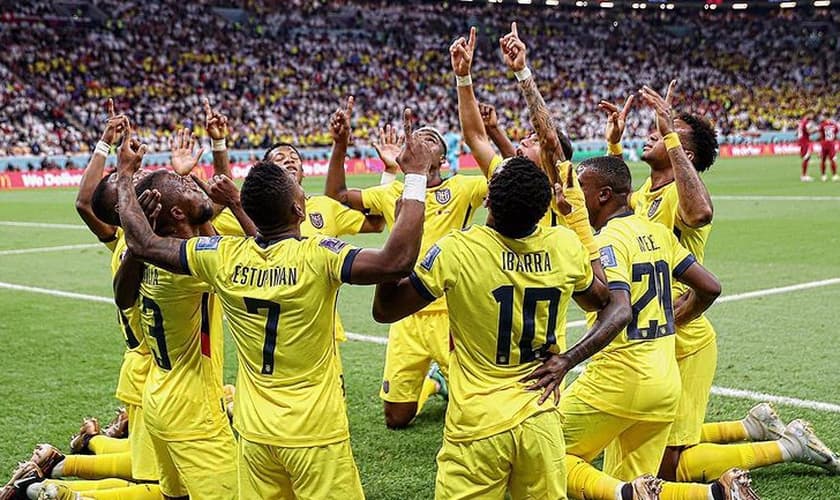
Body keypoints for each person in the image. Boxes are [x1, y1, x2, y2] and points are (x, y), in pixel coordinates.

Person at [115, 110, 435, 499]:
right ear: (299, 211)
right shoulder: (318, 257)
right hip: (314, 433)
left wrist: (125, 177)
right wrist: (415, 178)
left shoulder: (222, 256)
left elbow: (144, 245)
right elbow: (395, 262)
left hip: (254, 433)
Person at [606, 84, 840, 489]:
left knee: (667, 465)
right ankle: (751, 425)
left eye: (663, 131)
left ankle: (790, 446)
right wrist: (613, 146)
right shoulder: (647, 192)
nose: (652, 133)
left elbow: (700, 213)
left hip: (687, 340)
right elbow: (613, 215)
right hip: (654, 337)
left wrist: (673, 138)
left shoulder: (683, 195)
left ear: (684, 151)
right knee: (647, 438)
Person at [372, 155, 622, 499]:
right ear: (542, 209)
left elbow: (386, 309)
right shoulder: (564, 247)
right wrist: (569, 359)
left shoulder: (457, 250)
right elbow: (603, 302)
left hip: (476, 424)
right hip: (540, 417)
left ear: (488, 199)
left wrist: (402, 230)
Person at [557, 156, 762, 500]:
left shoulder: (608, 242)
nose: (576, 196)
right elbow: (710, 287)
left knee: (540, 449)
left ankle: (624, 492)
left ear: (604, 195)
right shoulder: (657, 233)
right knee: (639, 489)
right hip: (664, 384)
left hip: (617, 380)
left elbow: (618, 310)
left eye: (582, 189)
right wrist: (677, 317)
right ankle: (716, 493)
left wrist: (567, 360)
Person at [325, 98, 493, 430]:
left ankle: (443, 381)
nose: (419, 141)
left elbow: (501, 174)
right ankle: (434, 383)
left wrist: (488, 133)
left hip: (451, 313)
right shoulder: (393, 193)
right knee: (396, 418)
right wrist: (340, 145)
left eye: (430, 140)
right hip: (404, 314)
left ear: (443, 159)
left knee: (476, 413)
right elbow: (337, 196)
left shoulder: (462, 187)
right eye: (416, 138)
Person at [112, 167, 235, 500]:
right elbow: (254, 261)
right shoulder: (188, 267)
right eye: (184, 185)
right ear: (177, 212)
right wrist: (235, 203)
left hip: (159, 395)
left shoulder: (145, 257)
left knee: (174, 496)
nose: (193, 183)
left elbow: (122, 296)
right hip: (193, 410)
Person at [452, 25, 568, 229]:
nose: (524, 140)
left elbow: (549, 138)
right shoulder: (506, 175)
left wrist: (522, 72)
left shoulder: (562, 187)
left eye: (534, 142)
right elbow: (475, 138)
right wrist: (463, 77)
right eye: (529, 137)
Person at [817, 113, 838, 182]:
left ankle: (823, 175)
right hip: (831, 144)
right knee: (832, 159)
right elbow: (836, 132)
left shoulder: (822, 124)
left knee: (823, 160)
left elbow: (820, 134)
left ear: (825, 117)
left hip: (824, 144)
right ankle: (834, 175)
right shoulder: (834, 124)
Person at [797, 113, 817, 182]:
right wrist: (816, 129)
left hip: (802, 141)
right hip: (805, 141)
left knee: (806, 157)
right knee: (806, 158)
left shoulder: (801, 122)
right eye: (810, 114)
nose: (812, 115)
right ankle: (804, 176)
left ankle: (804, 175)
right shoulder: (805, 122)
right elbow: (808, 132)